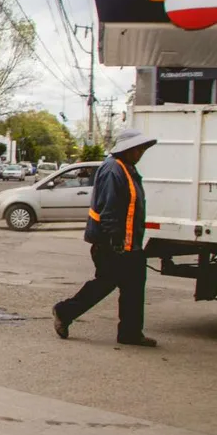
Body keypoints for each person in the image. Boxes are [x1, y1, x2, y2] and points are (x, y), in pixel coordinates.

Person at [52, 128, 158, 347]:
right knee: (105, 284)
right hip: (113, 243)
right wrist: (115, 241)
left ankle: (130, 332)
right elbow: (109, 210)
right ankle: (64, 311)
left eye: (142, 150)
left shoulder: (127, 168)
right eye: (138, 149)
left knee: (133, 287)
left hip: (129, 244)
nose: (141, 153)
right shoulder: (113, 170)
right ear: (127, 149)